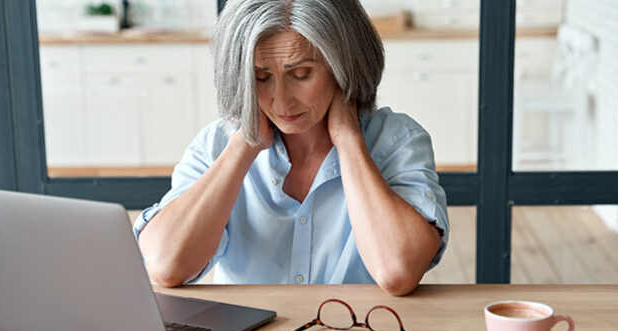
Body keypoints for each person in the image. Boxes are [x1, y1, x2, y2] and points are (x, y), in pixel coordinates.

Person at [134, 0, 449, 296]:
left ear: (345, 67)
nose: (281, 101)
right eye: (260, 78)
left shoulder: (396, 140)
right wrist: (243, 148)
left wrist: (349, 141)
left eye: (301, 75)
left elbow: (398, 272)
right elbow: (166, 266)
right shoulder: (215, 145)